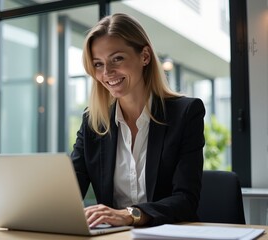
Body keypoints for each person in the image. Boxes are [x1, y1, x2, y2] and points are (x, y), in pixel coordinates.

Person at [71, 13, 205, 228]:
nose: (107, 72)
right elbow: (68, 186)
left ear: (144, 56)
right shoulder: (94, 121)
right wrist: (21, 210)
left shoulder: (185, 113)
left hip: (169, 234)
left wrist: (130, 214)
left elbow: (185, 200)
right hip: (115, 236)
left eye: (117, 59)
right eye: (98, 64)